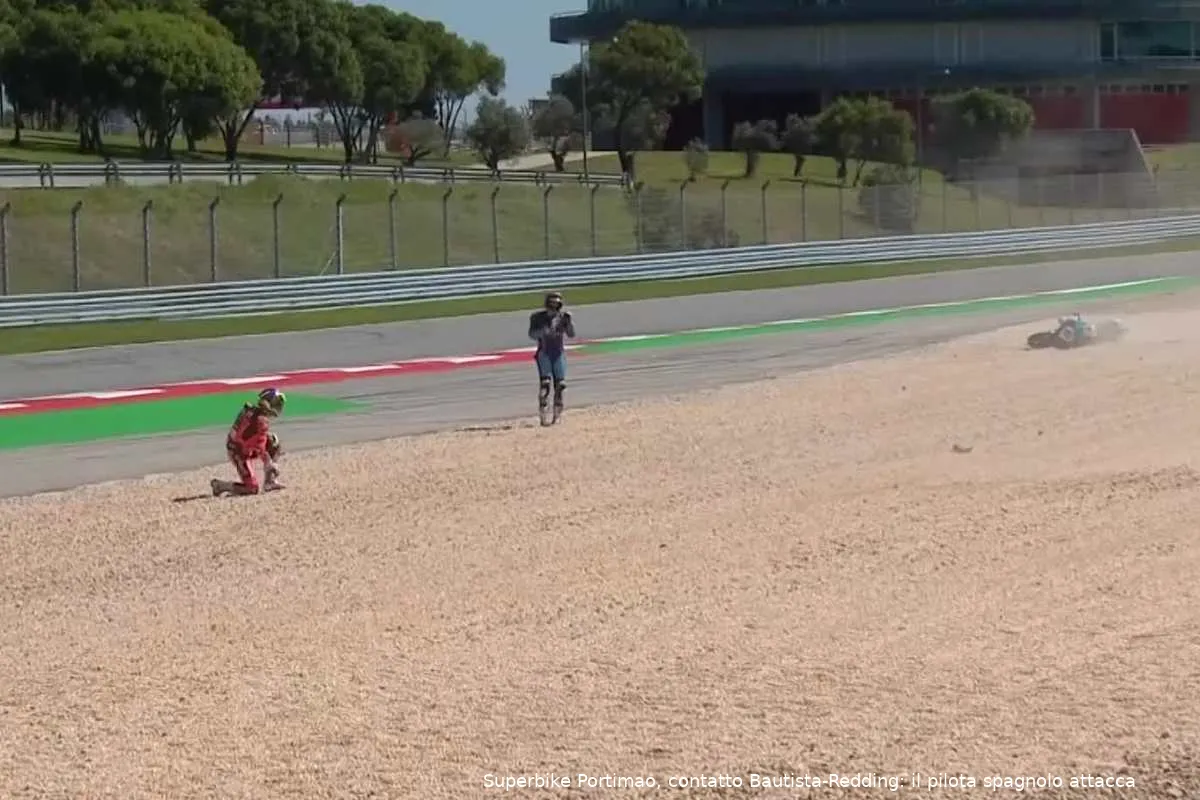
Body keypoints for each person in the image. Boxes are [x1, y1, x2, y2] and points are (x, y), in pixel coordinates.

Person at [211, 387, 286, 496]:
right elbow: (260, 448)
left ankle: (270, 482)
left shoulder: (252, 412)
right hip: (238, 452)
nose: (277, 407)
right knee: (252, 489)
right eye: (275, 403)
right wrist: (270, 464)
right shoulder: (260, 421)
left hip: (240, 446)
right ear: (267, 403)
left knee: (273, 442)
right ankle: (221, 485)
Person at [528, 291, 576, 413]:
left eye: (556, 303)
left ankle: (558, 405)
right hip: (544, 353)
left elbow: (571, 334)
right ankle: (543, 404)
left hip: (558, 353)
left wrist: (569, 323)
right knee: (545, 382)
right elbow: (532, 334)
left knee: (560, 384)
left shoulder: (563, 318)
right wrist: (543, 332)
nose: (554, 306)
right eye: (552, 303)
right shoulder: (537, 318)